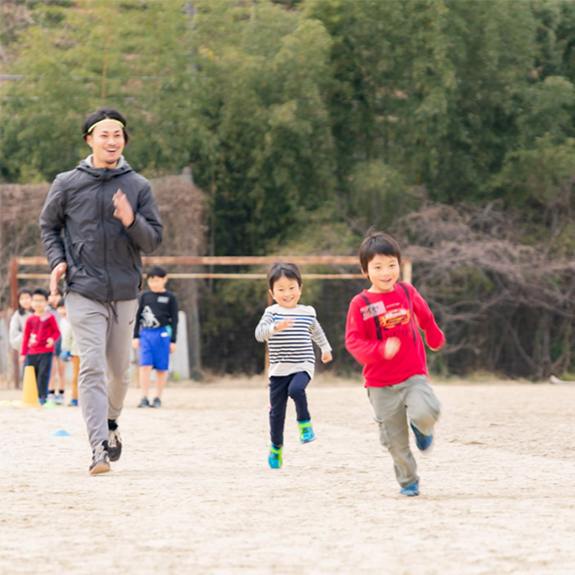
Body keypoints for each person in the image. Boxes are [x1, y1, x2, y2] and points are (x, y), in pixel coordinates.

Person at [40, 106, 163, 475]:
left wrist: (130, 219)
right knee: (91, 366)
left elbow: (153, 240)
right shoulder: (67, 183)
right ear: (89, 139)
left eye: (118, 135)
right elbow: (49, 227)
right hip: (82, 288)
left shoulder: (139, 186)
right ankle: (97, 448)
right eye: (104, 135)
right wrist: (57, 261)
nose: (111, 141)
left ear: (124, 141)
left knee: (119, 373)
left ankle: (111, 423)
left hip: (125, 290)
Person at [345, 231, 445, 497]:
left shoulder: (406, 291)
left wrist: (433, 336)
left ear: (399, 265)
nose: (386, 272)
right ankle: (409, 481)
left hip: (413, 374)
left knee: (426, 411)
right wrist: (379, 349)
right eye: (378, 267)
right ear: (366, 270)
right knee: (395, 442)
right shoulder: (361, 304)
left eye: (391, 264)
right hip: (380, 385)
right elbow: (353, 342)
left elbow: (425, 315)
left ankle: (422, 428)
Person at [255, 263, 333, 469]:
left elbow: (317, 332)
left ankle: (305, 424)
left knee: (297, 389)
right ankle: (276, 447)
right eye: (280, 289)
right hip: (278, 370)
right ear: (272, 292)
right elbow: (259, 334)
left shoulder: (308, 312)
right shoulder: (271, 312)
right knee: (277, 414)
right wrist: (275, 327)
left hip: (303, 364)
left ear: (300, 287)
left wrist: (325, 348)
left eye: (291, 287)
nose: (287, 293)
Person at [133, 265, 178, 408]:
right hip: (146, 334)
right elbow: (137, 317)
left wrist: (173, 340)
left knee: (161, 368)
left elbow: (175, 320)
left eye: (157, 281)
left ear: (165, 280)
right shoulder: (143, 296)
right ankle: (144, 397)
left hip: (162, 334)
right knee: (145, 366)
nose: (154, 284)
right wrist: (135, 336)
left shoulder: (170, 298)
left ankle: (158, 397)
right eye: (151, 281)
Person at [20, 289, 61, 404]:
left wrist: (52, 339)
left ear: (46, 302)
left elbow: (57, 332)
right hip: (32, 351)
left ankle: (42, 396)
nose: (38, 303)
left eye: (41, 300)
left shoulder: (50, 317)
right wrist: (23, 354)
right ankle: (31, 395)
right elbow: (26, 337)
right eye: (35, 300)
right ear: (31, 302)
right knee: (31, 373)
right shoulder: (30, 319)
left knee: (43, 373)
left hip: (46, 351)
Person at [58, 298, 80, 407]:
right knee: (76, 376)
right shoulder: (71, 321)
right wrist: (68, 351)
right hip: (76, 352)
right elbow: (68, 337)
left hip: (89, 352)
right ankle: (75, 398)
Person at [46, 287, 66, 405]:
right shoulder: (46, 310)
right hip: (51, 342)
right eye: (52, 295)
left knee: (61, 371)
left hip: (63, 341)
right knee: (52, 370)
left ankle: (61, 394)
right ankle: (51, 393)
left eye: (57, 295)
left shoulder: (65, 310)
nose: (54, 298)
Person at [9, 288, 33, 358]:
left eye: (27, 298)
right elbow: (13, 335)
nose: (25, 301)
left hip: (43, 349)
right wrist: (28, 340)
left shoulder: (40, 312)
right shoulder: (17, 315)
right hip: (26, 350)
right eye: (22, 299)